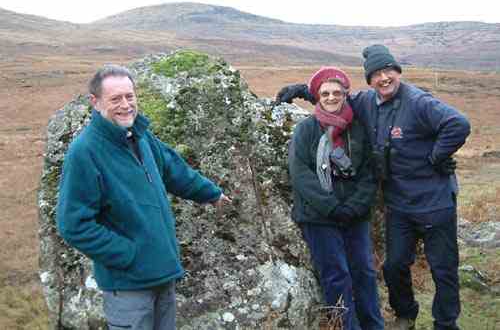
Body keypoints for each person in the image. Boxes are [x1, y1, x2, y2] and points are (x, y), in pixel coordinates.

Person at [278, 45, 471, 330]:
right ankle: (405, 314)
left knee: (443, 269)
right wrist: (304, 90)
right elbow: (336, 98)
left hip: (434, 201)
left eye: (388, 71)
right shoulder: (368, 102)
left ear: (398, 72)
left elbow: (458, 124)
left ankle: (445, 323)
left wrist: (436, 157)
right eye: (376, 74)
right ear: (369, 80)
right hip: (399, 204)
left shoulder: (418, 101)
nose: (383, 78)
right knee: (393, 266)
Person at [56, 65, 231, 330]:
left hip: (163, 274)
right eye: (115, 99)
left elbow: (175, 170)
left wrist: (212, 193)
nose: (125, 105)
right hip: (128, 286)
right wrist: (129, 254)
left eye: (130, 96)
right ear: (95, 102)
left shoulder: (140, 136)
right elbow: (73, 225)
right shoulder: (85, 152)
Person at [288, 67, 384, 330]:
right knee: (336, 275)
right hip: (319, 217)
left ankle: (373, 325)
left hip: (355, 214)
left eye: (337, 93)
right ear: (317, 96)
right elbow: (300, 173)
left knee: (364, 273)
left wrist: (355, 206)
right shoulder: (306, 129)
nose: (331, 97)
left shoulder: (357, 128)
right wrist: (330, 207)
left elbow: (367, 171)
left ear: (345, 95)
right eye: (325, 93)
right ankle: (345, 326)